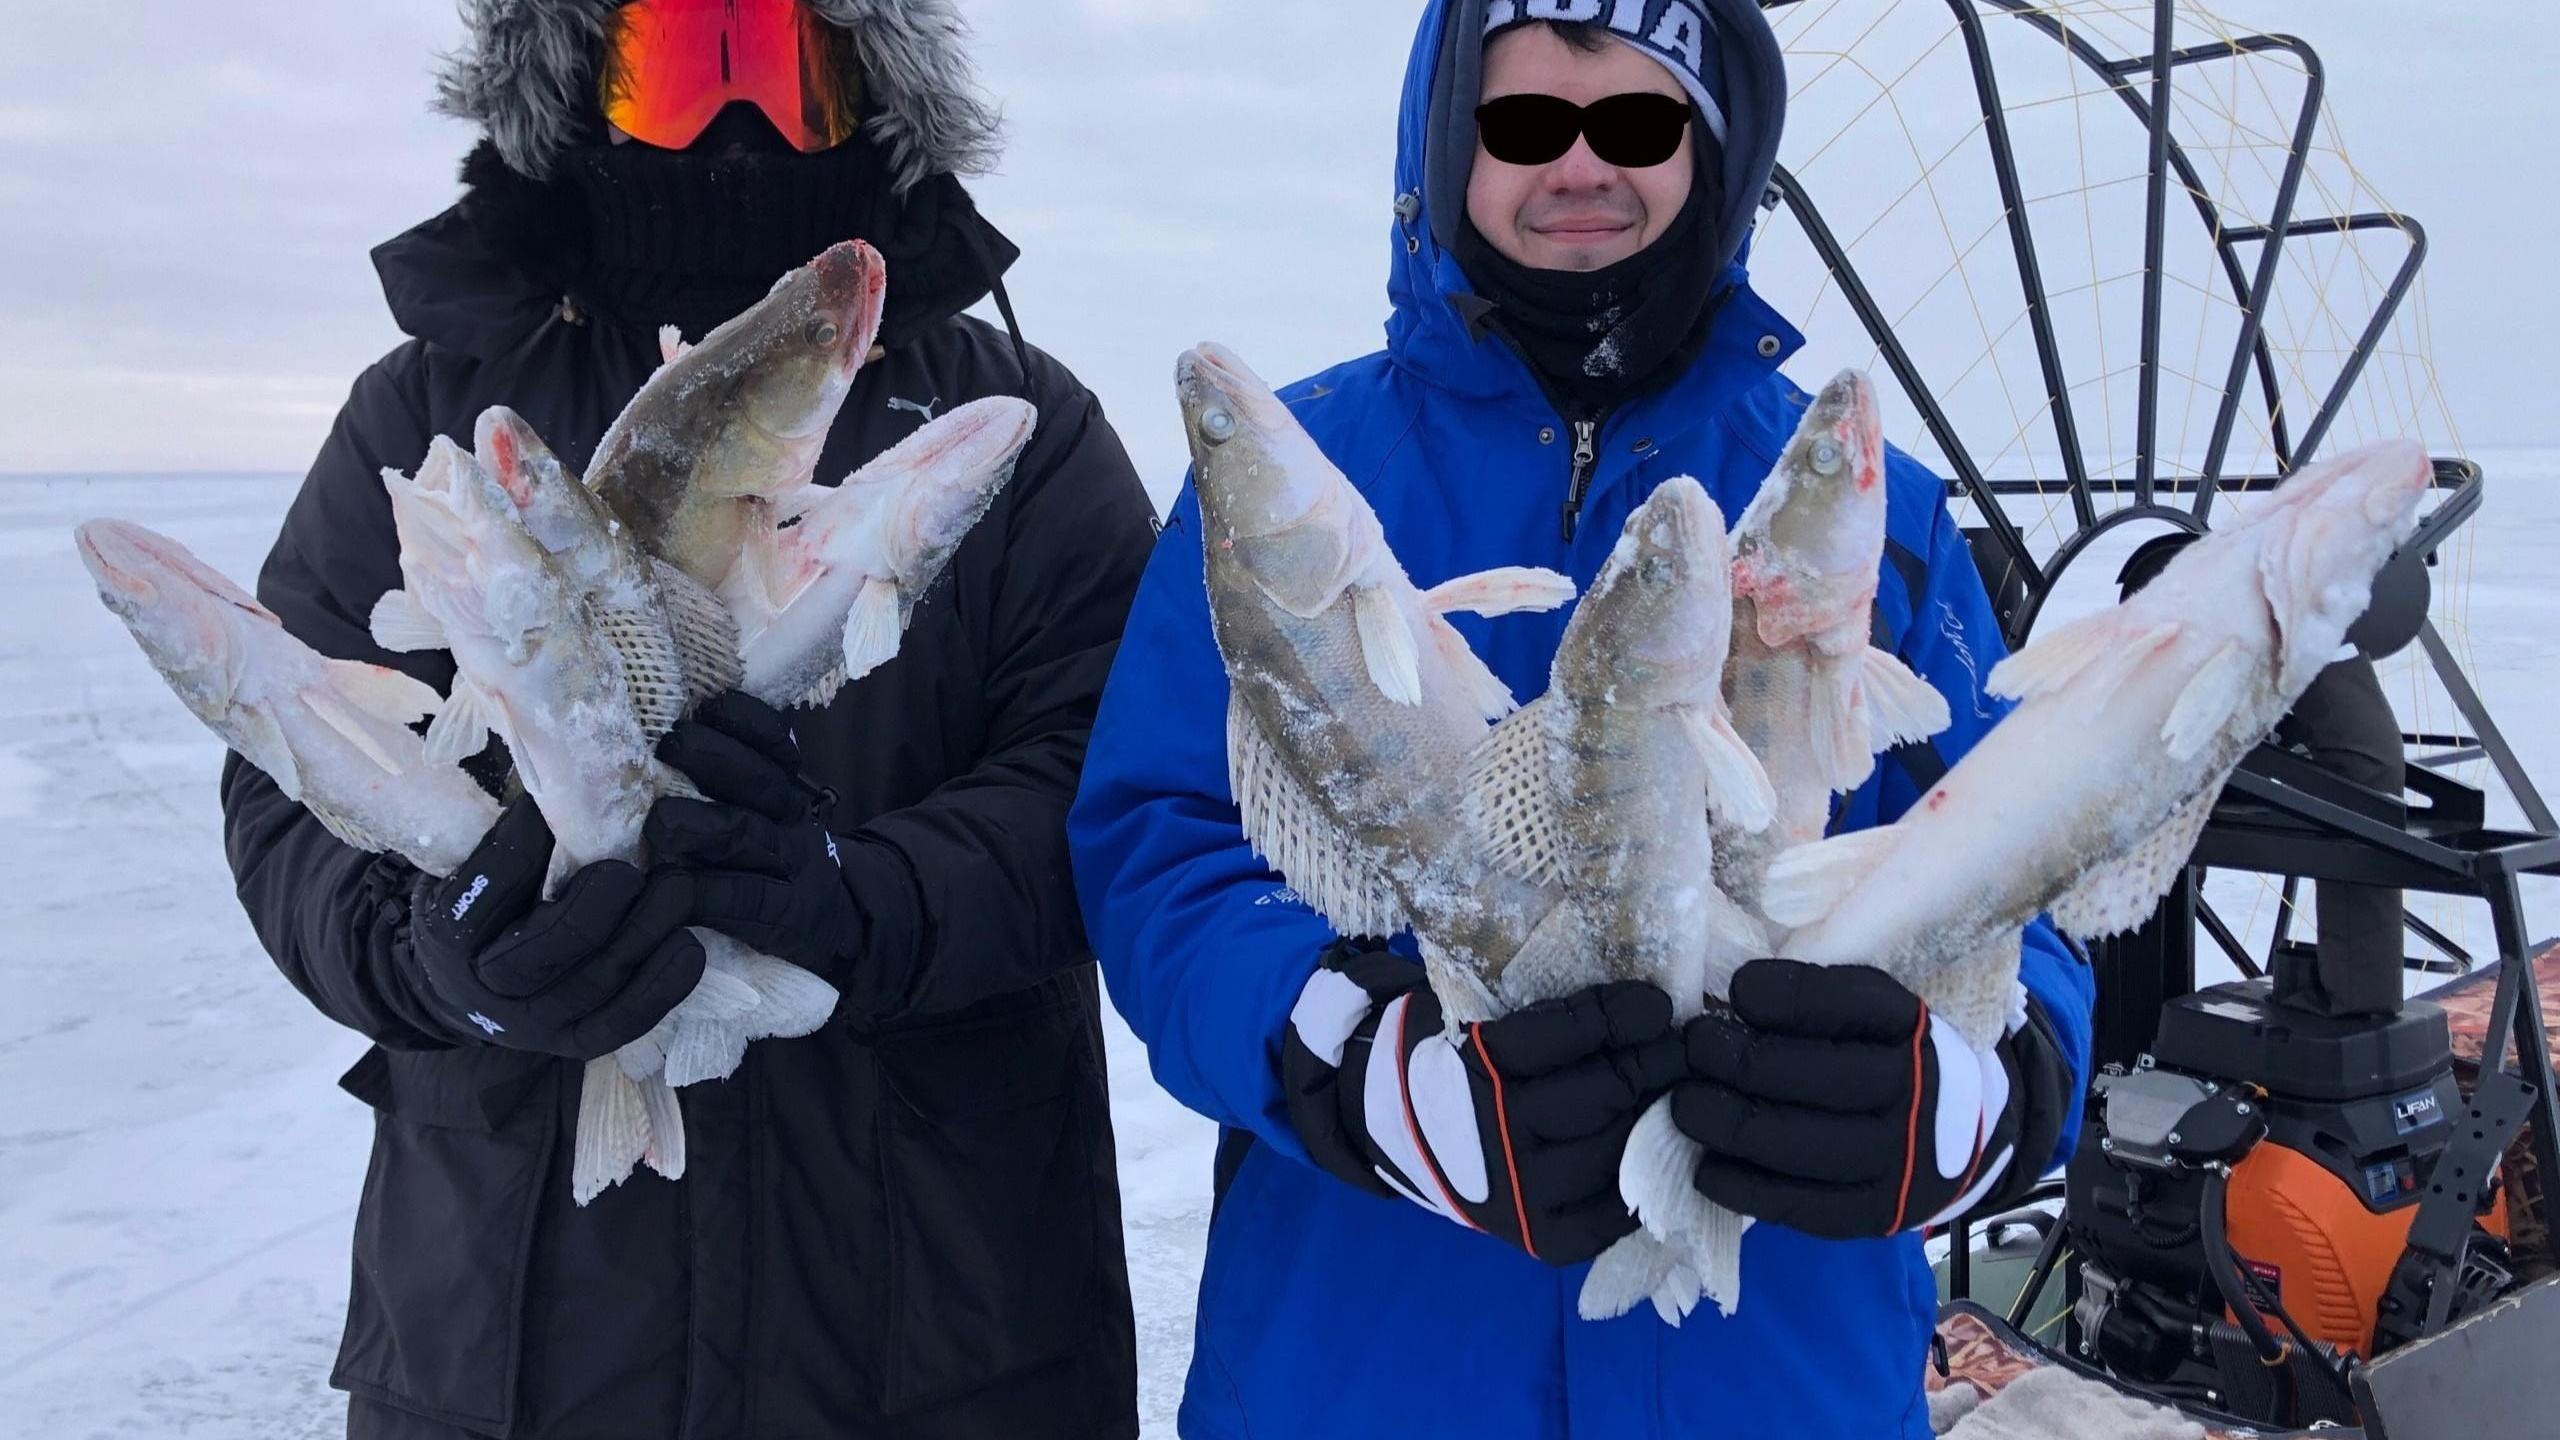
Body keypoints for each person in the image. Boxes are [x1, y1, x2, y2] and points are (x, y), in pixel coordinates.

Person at [1068, 2, 2095, 1436]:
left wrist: (1986, 1090)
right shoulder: (1301, 480)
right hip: (1361, 1368)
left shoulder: (1881, 519)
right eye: (1524, 123)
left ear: (1713, 155)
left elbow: (2013, 853)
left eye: (1638, 124)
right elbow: (1160, 849)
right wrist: (1352, 1067)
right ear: (1448, 146)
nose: (1581, 167)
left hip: (1779, 1375)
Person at [220, 2, 1152, 1435]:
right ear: (580, 84)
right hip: (514, 1348)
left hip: (950, 1345)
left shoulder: (1016, 422)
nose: (736, 128)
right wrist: (438, 951)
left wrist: (863, 901)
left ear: (870, 92)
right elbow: (292, 776)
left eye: (783, 66)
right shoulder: (424, 417)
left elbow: (1109, 778)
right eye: (677, 64)